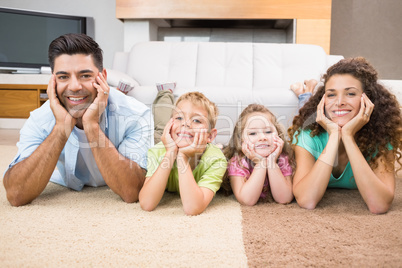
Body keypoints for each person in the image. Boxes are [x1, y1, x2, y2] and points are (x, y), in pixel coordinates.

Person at [3, 33, 153, 206]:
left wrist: (91, 125)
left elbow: (131, 191)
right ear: (53, 81)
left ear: (102, 77)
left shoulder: (135, 115)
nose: (74, 86)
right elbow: (16, 194)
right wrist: (61, 127)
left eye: (85, 75)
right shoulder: (40, 118)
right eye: (63, 77)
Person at [288, 57, 402, 214]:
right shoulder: (307, 135)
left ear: (368, 99)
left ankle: (306, 92)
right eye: (331, 95)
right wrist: (334, 135)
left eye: (350, 93)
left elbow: (379, 205)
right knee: (304, 108)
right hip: (319, 124)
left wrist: (348, 136)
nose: (339, 102)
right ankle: (306, 93)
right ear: (323, 100)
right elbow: (307, 200)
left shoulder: (380, 137)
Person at [139, 90, 227, 215]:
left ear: (210, 136)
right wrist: (170, 153)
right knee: (156, 131)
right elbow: (147, 203)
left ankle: (221, 146)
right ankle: (164, 93)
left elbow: (193, 208)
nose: (186, 123)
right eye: (179, 118)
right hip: (167, 144)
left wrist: (182, 157)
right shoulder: (157, 152)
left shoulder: (216, 160)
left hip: (209, 151)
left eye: (196, 120)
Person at [221, 104, 294, 206]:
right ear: (241, 139)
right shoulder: (237, 162)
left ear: (278, 134)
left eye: (268, 131)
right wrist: (260, 163)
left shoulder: (282, 158)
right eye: (252, 133)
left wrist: (271, 161)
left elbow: (284, 198)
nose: (262, 137)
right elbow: (247, 200)